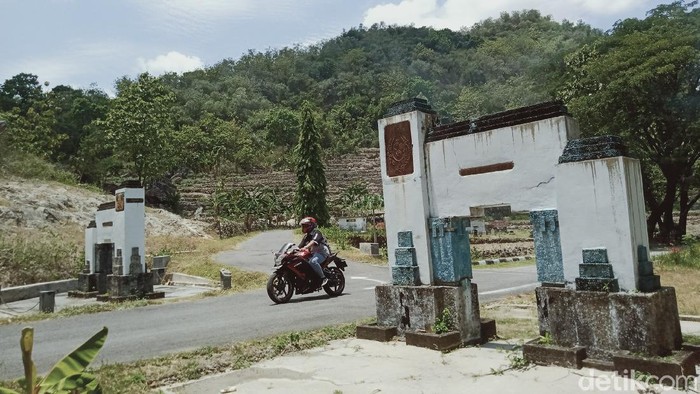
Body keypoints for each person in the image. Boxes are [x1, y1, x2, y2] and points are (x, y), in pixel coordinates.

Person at [298, 216, 329, 286]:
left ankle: (323, 278)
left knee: (313, 261)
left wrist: (305, 247)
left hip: (322, 252)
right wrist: (292, 250)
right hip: (313, 253)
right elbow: (300, 245)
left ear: (311, 226)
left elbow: (313, 241)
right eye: (303, 226)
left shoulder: (317, 232)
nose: (303, 228)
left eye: (305, 226)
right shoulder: (306, 236)